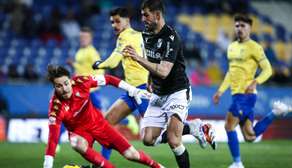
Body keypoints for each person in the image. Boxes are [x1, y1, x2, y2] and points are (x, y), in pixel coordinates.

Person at [123, 0, 216, 167]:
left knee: (174, 140)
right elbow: (152, 59)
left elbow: (164, 71)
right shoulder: (146, 35)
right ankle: (194, 128)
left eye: (146, 15)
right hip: (158, 93)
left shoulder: (171, 38)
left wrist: (138, 58)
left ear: (157, 15)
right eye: (142, 15)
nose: (143, 19)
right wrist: (149, 80)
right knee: (148, 139)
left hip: (177, 92)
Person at [212, 14, 292, 168]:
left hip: (246, 96)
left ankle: (237, 163)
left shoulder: (255, 47)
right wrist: (220, 91)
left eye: (243, 26)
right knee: (250, 136)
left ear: (250, 28)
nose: (239, 28)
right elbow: (230, 73)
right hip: (236, 95)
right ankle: (276, 112)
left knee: (228, 126)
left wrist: (255, 82)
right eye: (237, 25)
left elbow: (268, 70)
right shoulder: (231, 47)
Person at [43, 65, 164, 168]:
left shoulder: (81, 82)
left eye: (66, 83)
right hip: (81, 133)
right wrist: (47, 164)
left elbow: (108, 79)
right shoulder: (55, 108)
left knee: (132, 155)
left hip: (99, 125)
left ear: (70, 80)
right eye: (59, 86)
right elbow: (53, 139)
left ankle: (157, 166)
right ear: (54, 87)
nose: (64, 89)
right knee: (76, 142)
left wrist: (130, 89)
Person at [92, 7, 149, 159]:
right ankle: (103, 163)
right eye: (112, 22)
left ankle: (195, 128)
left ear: (127, 20)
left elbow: (113, 62)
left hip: (143, 89)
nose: (114, 25)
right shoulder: (140, 35)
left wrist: (98, 64)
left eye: (117, 21)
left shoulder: (124, 36)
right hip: (132, 90)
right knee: (106, 124)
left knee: (155, 135)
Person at [67, 26, 104, 110]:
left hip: (90, 89)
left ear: (91, 38)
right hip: (80, 88)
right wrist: (73, 65)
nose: (83, 39)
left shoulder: (92, 52)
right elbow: (83, 68)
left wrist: (93, 83)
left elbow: (100, 69)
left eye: (85, 37)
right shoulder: (80, 51)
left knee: (97, 113)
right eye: (81, 37)